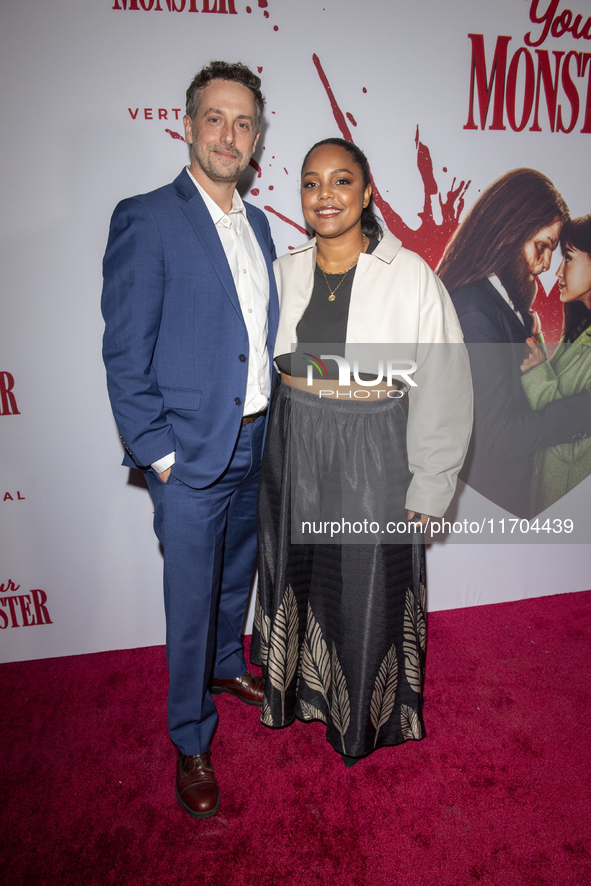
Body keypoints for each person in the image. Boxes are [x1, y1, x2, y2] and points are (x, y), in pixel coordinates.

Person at [251, 138, 473, 765]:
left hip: (372, 444)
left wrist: (432, 484)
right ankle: (297, 696)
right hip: (294, 438)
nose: (326, 195)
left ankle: (361, 722)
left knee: (366, 582)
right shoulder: (284, 271)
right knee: (298, 575)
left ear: (367, 192)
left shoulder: (410, 276)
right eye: (312, 182)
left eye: (341, 180)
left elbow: (444, 382)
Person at [101, 61, 279, 819]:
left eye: (243, 122)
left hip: (257, 440)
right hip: (190, 455)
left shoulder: (263, 222)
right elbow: (124, 353)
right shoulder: (146, 217)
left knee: (234, 577)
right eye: (215, 118)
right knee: (188, 598)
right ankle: (190, 737)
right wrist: (160, 454)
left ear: (256, 137)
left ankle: (224, 666)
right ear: (187, 124)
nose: (228, 134)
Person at [437, 168, 591, 518]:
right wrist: (583, 410)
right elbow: (499, 437)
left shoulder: (495, 305)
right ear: (511, 230)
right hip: (487, 513)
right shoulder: (476, 310)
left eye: (557, 252)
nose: (546, 266)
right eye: (543, 247)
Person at [520, 215, 591, 513]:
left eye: (569, 258)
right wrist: (536, 339)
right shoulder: (580, 332)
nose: (557, 270)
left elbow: (573, 440)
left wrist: (537, 373)